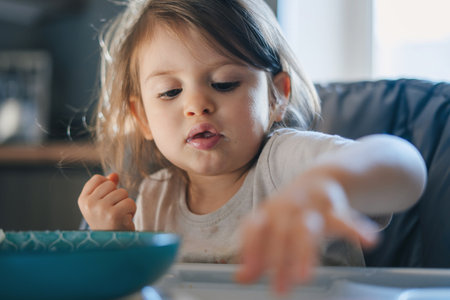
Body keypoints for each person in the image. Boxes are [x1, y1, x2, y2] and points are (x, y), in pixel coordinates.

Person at [78, 0, 427, 294]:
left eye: (224, 83)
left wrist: (331, 183)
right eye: (171, 91)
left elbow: (403, 164)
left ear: (276, 96)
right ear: (142, 118)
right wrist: (116, 242)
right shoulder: (154, 200)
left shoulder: (288, 163)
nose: (197, 104)